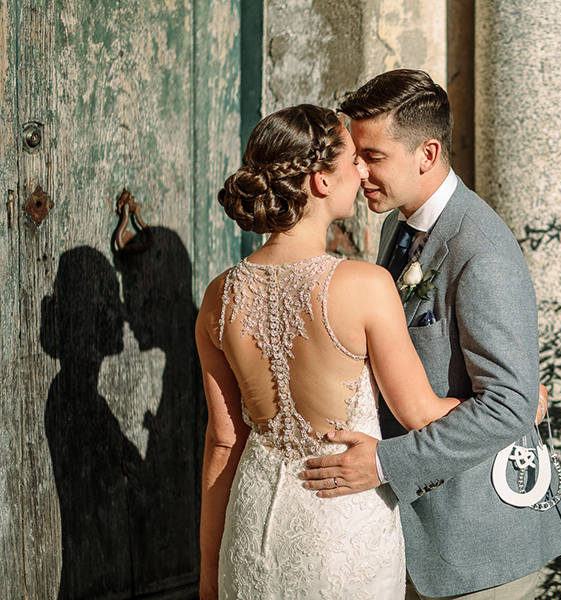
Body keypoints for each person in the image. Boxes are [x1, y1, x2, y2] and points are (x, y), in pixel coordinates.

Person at [301, 70, 561, 599]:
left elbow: (508, 408)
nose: (357, 171)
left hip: (480, 545)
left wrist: (384, 463)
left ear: (426, 154)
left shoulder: (483, 252)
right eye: (355, 156)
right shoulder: (398, 227)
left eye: (373, 157)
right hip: (421, 535)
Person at [196, 105, 466, 599]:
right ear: (321, 181)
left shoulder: (219, 296)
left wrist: (210, 579)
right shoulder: (365, 285)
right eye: (352, 161)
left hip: (251, 528)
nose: (362, 170)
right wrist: (510, 403)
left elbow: (222, 442)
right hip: (342, 528)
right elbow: (420, 413)